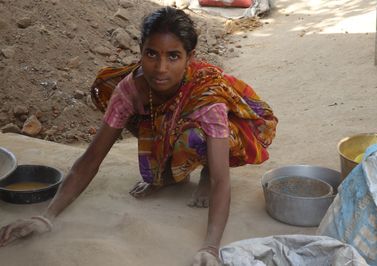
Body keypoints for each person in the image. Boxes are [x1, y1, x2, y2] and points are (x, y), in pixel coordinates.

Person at [0, 7, 277, 265]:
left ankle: (198, 169)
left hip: (227, 130)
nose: (160, 68)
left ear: (189, 58)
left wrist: (210, 248)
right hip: (166, 119)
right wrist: (46, 216)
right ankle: (166, 175)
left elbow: (221, 180)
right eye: (151, 54)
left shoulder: (207, 96)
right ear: (140, 51)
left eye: (173, 56)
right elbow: (91, 159)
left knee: (196, 139)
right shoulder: (129, 90)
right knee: (154, 129)